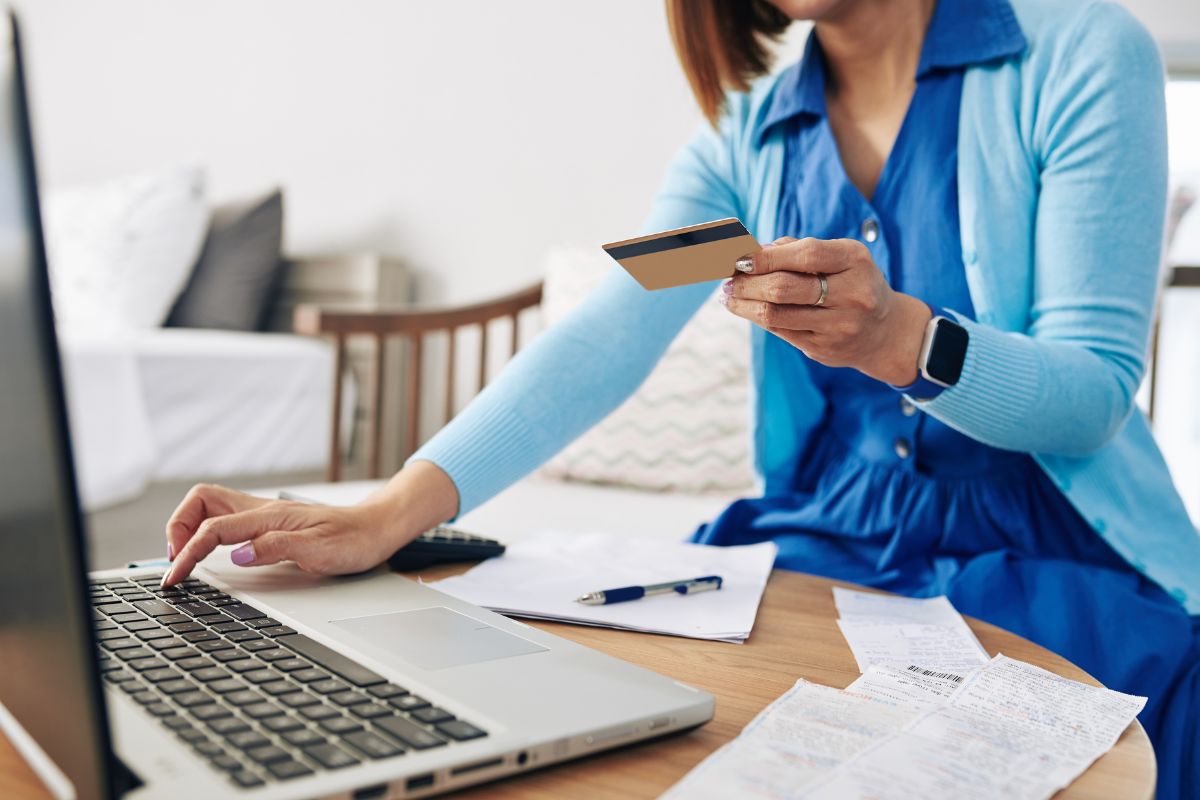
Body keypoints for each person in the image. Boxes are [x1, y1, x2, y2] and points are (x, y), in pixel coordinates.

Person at [161, 0, 1199, 794]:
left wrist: (902, 339)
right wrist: (389, 509)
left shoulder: (1078, 57)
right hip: (817, 543)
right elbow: (610, 328)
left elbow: (1092, 395)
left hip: (1054, 548)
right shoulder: (746, 136)